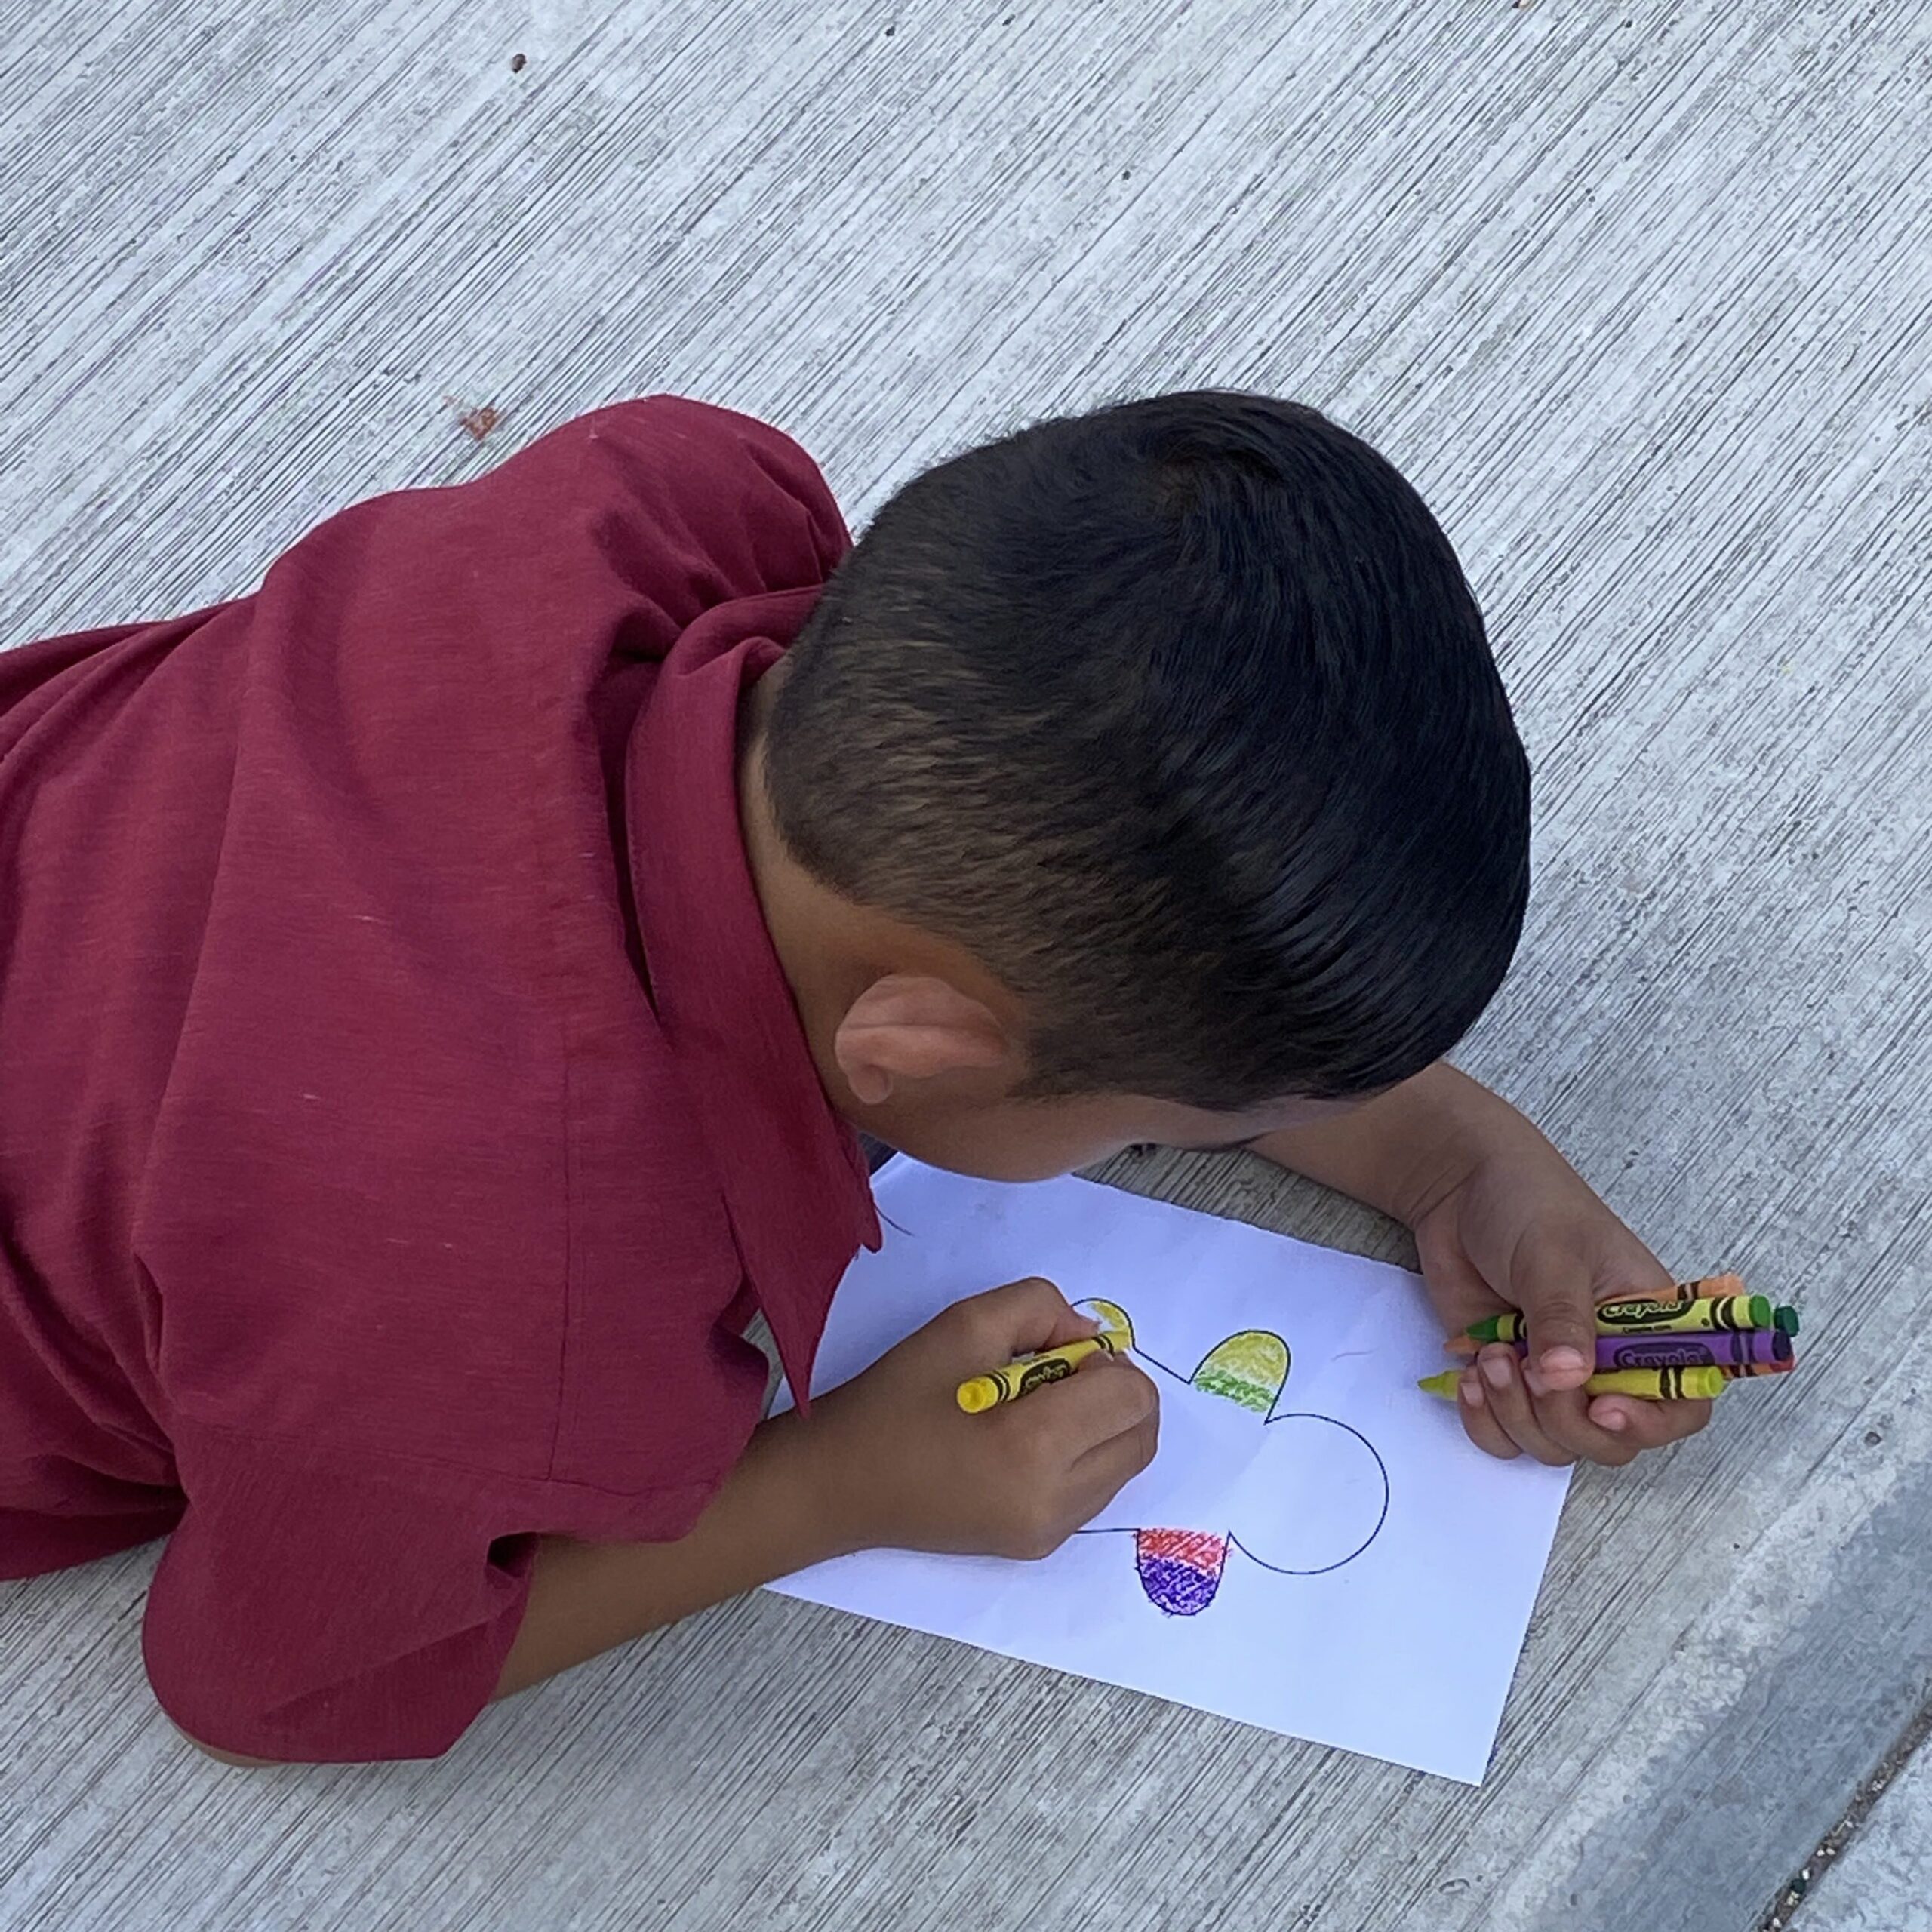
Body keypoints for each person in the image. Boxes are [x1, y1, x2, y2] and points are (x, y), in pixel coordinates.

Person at [0, 391, 1706, 1764]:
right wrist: (837, 1483)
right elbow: (272, 1679)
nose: (1194, 1137)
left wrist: (1463, 1164)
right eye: (1166, 1120)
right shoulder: (516, 1306)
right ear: (909, 1047)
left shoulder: (671, 512)